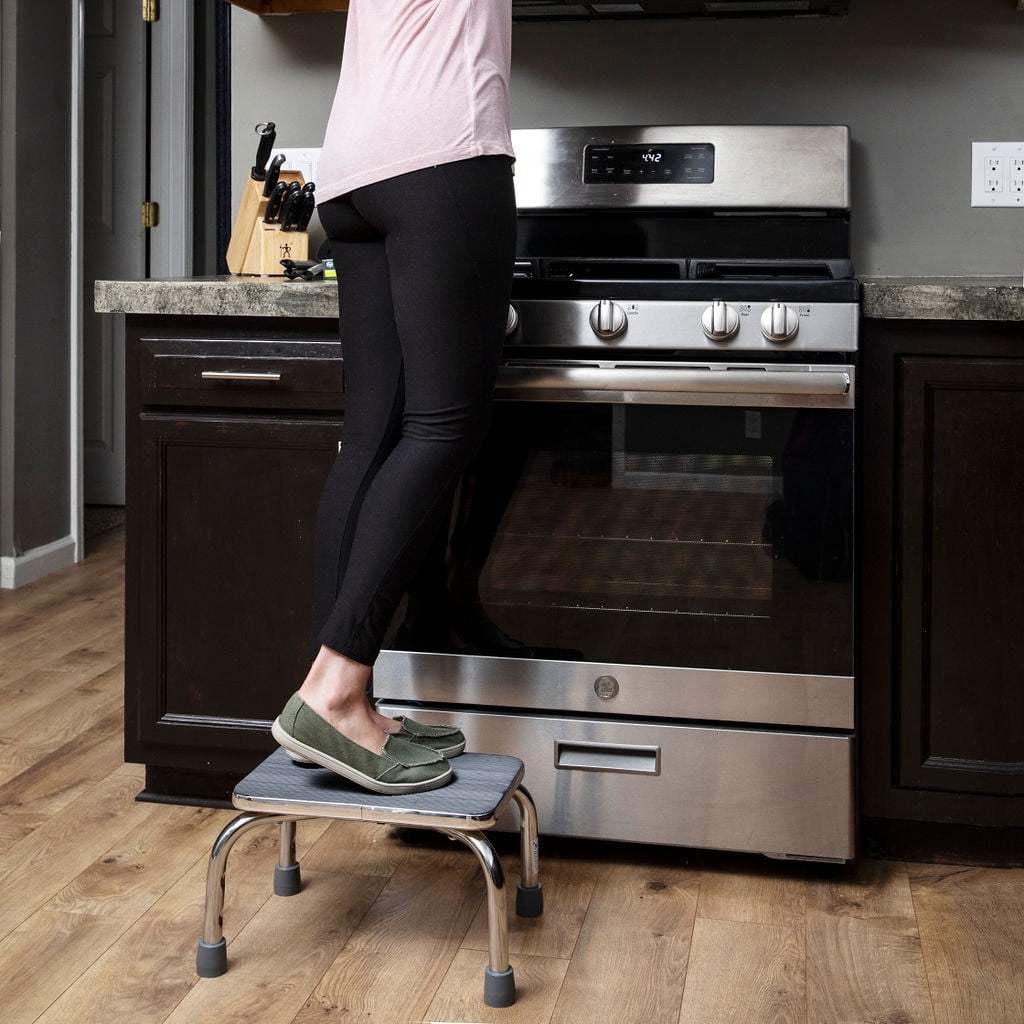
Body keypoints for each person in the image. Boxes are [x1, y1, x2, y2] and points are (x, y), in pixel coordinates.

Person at [271, 0, 516, 795]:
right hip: (443, 153)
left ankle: (339, 699)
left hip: (353, 166)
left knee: (371, 435)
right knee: (445, 426)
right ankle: (336, 685)